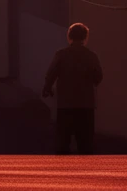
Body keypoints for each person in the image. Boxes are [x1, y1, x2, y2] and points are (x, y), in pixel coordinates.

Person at [42, 22, 103, 154]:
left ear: (69, 36)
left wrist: (47, 88)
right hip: (86, 104)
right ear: (85, 37)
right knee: (85, 143)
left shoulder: (62, 54)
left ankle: (65, 170)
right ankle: (85, 171)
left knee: (63, 142)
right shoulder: (91, 56)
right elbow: (98, 77)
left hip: (65, 104)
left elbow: (51, 73)